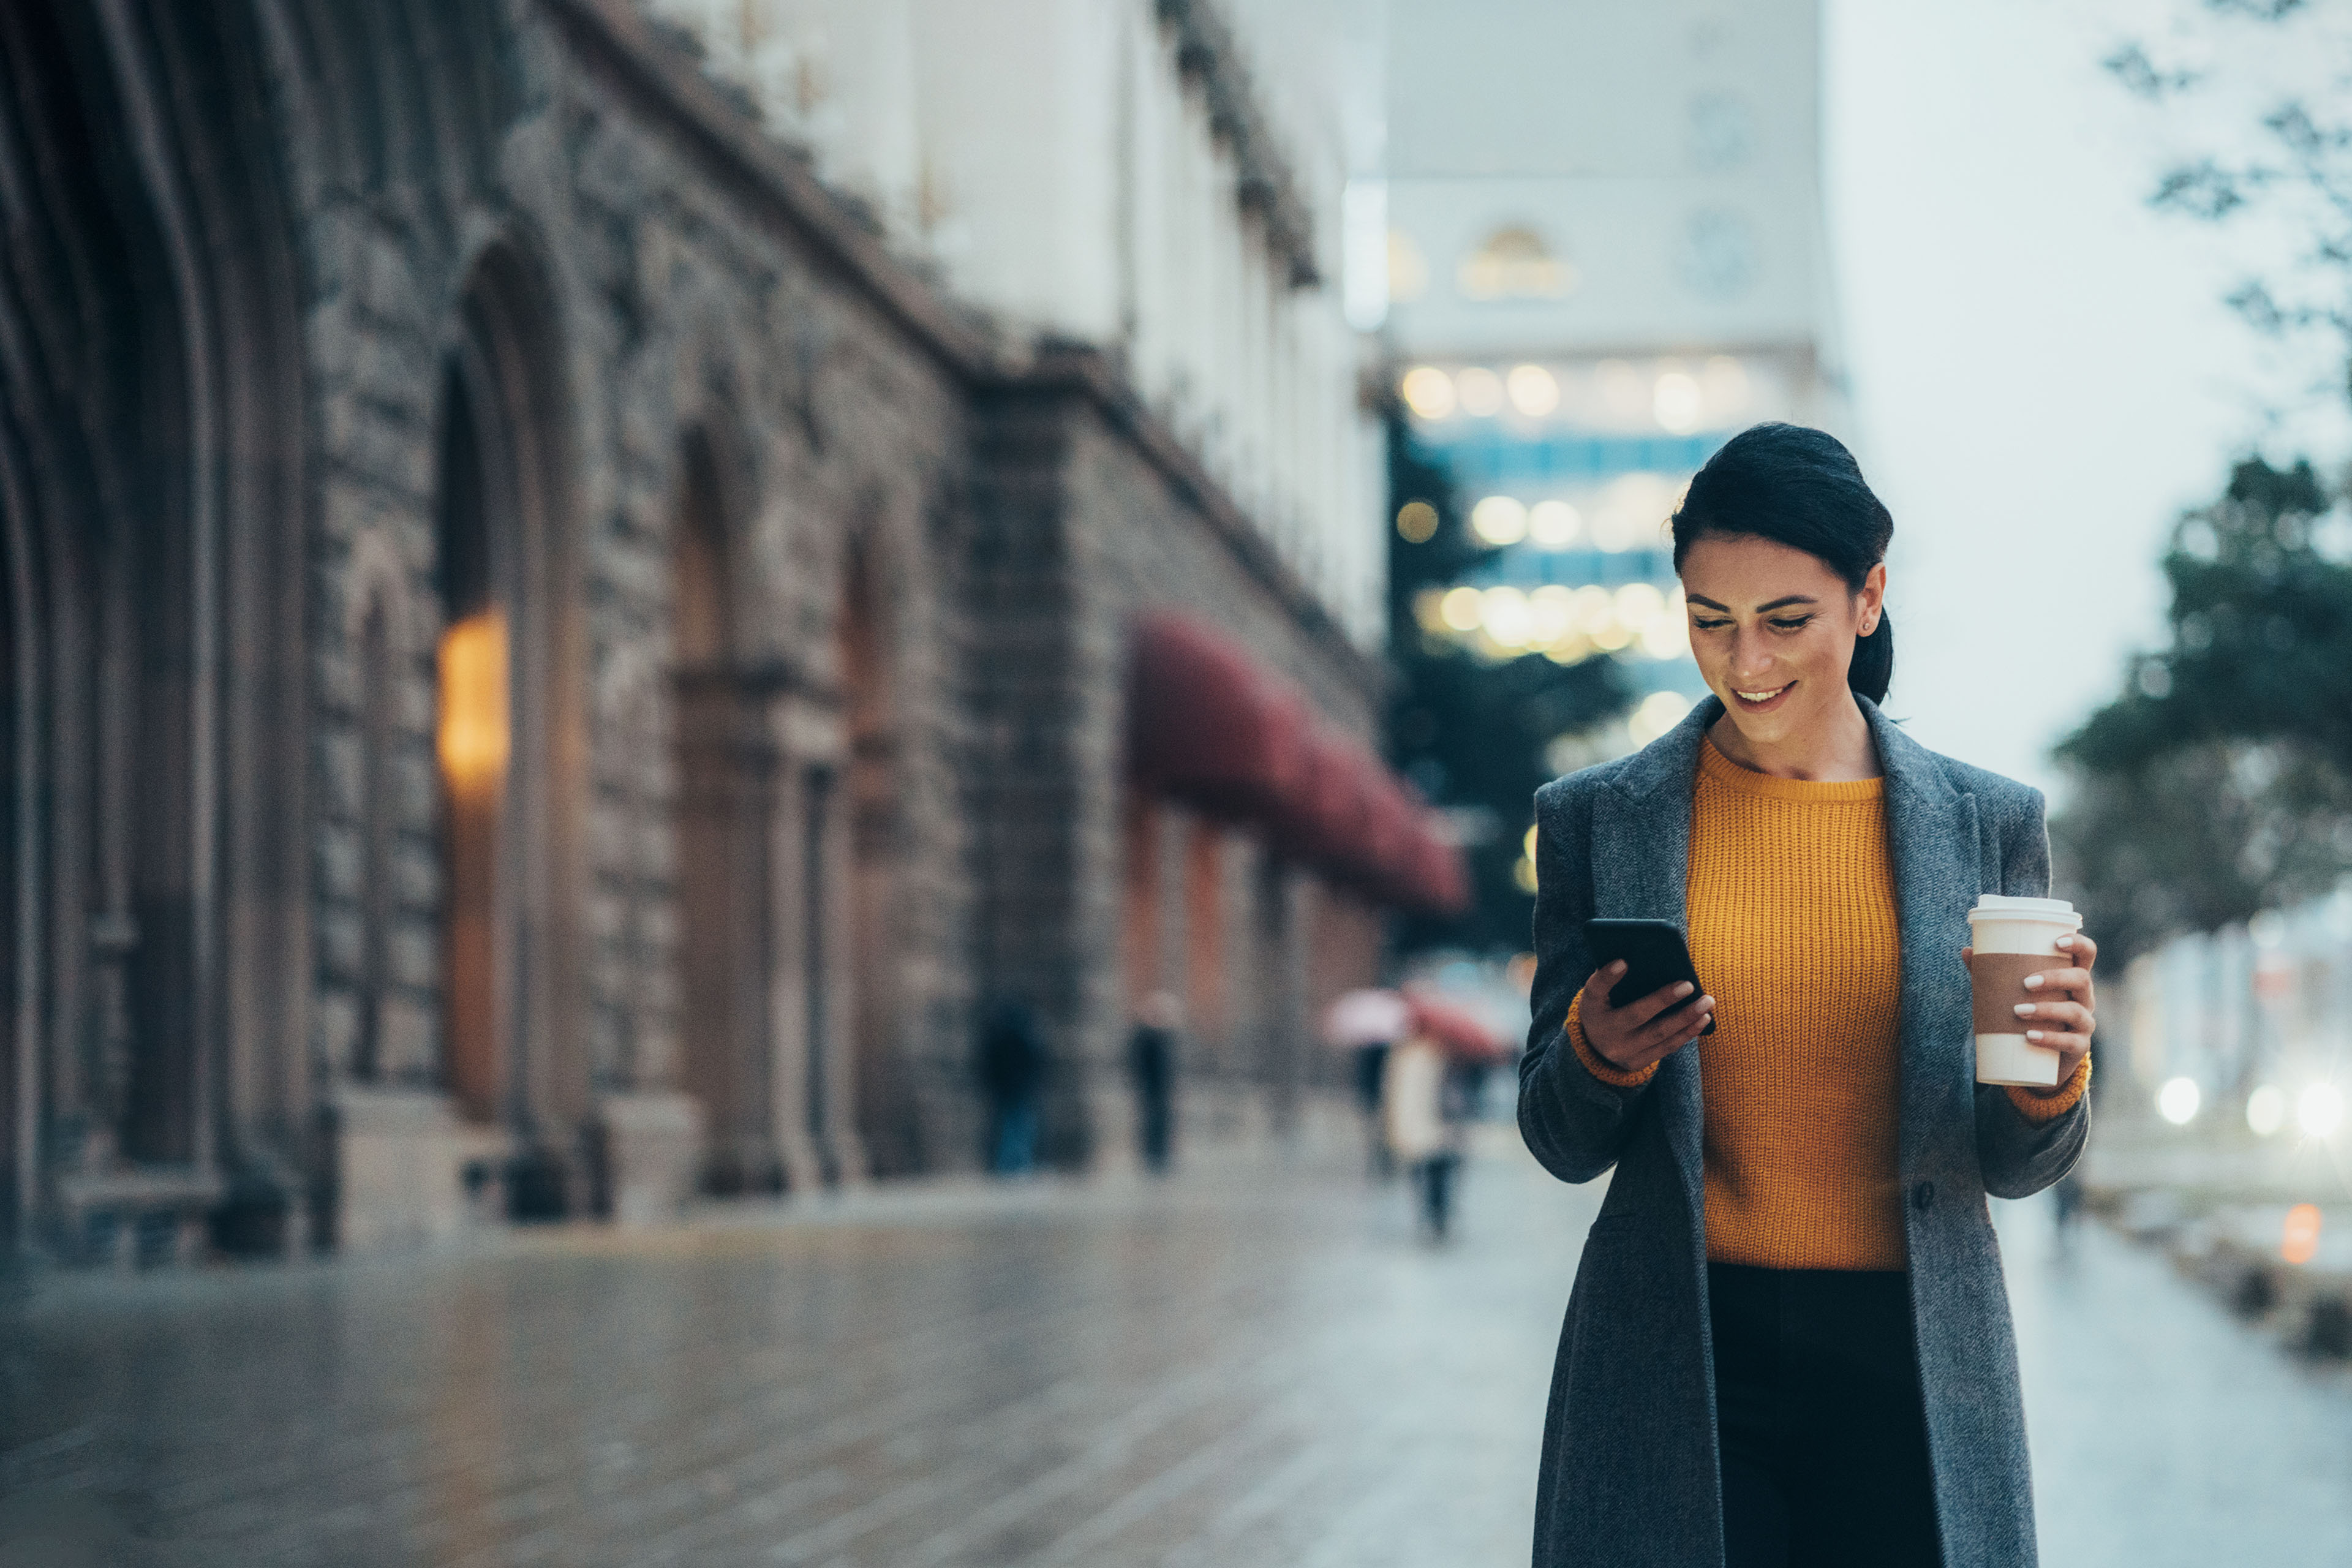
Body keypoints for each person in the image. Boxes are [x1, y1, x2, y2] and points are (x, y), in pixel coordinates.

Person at [1517, 423, 2097, 1568]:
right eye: (1708, 621)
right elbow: (1557, 1137)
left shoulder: (1989, 825)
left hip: (1912, 1366)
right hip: (1680, 1353)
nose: (1746, 664)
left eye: (1787, 620)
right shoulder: (1598, 819)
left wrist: (2055, 1075)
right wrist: (1595, 1052)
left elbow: (2021, 1167)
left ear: (1868, 597)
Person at [1383, 1023, 1462, 1239]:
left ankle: (1437, 1217)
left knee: (1435, 1175)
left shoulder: (1432, 1054)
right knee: (1427, 1175)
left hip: (1433, 1127)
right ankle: (1433, 1216)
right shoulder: (1416, 1054)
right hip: (1422, 1126)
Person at [975, 997, 1047, 1175]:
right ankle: (1018, 1165)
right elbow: (1034, 1063)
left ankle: (1009, 1165)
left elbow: (988, 1065)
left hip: (1005, 1090)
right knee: (1019, 1128)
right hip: (1018, 1089)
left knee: (1009, 1128)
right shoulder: (1023, 1038)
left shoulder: (998, 1037)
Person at [1127, 990, 1182, 1175]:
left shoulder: (1164, 1036)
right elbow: (1137, 1064)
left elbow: (1169, 1065)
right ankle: (1153, 1159)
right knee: (1152, 1123)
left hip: (1162, 1088)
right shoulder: (1144, 1037)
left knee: (1163, 1123)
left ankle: (1161, 1157)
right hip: (1150, 1088)